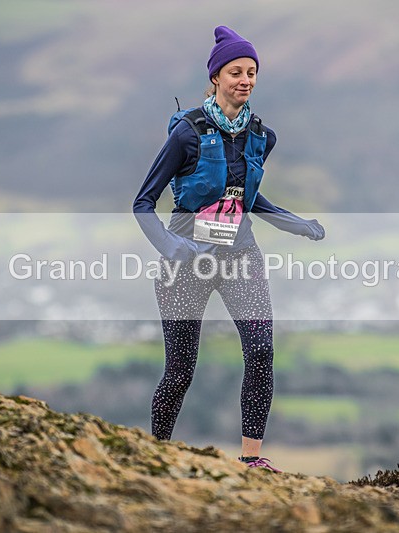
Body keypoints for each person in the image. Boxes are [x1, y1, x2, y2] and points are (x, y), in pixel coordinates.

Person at [132, 25, 325, 473]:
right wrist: (170, 247)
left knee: (261, 352)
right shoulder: (186, 134)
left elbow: (244, 195)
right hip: (187, 259)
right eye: (235, 71)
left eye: (252, 72)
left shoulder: (261, 136)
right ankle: (156, 457)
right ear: (216, 77)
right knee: (180, 370)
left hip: (240, 254)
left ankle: (252, 459)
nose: (245, 79)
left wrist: (294, 223)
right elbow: (143, 203)